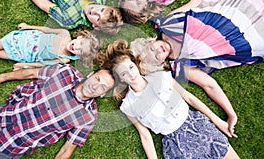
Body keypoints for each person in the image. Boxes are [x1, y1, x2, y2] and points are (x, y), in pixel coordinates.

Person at [130, 0, 264, 134]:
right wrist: (230, 113)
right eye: (156, 56)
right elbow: (209, 85)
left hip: (231, 15)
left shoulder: (169, 23)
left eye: (152, 48)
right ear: (160, 63)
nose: (159, 50)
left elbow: (195, 3)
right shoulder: (180, 65)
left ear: (149, 41)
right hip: (240, 41)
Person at [99, 40, 239, 158]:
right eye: (124, 73)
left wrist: (218, 121)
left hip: (196, 124)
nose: (131, 74)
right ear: (120, 79)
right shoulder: (128, 106)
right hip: (176, 143)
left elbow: (189, 98)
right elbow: (145, 135)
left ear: (135, 64)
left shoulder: (162, 77)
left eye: (130, 67)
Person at [0, 63, 115, 158]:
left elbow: (67, 149)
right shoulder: (66, 72)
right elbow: (31, 73)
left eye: (103, 87)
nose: (95, 86)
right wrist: (1, 78)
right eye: (97, 79)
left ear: (103, 94)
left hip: (9, 147)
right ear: (90, 75)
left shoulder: (88, 116)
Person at [0, 22, 101, 68]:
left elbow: (42, 64)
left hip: (23, 54)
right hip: (23, 39)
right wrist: (27, 26)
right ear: (81, 36)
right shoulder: (64, 34)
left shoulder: (64, 59)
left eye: (80, 51)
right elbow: (45, 29)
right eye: (80, 43)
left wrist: (25, 66)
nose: (76, 47)